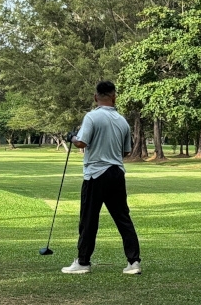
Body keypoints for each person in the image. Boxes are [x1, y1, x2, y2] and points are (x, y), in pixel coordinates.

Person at [61, 80, 142, 276]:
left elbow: (81, 143)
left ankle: (83, 261)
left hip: (96, 174)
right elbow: (125, 151)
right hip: (116, 173)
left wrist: (71, 137)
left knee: (89, 219)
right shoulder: (122, 121)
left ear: (95, 97)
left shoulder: (92, 117)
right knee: (123, 218)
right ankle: (134, 262)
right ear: (114, 97)